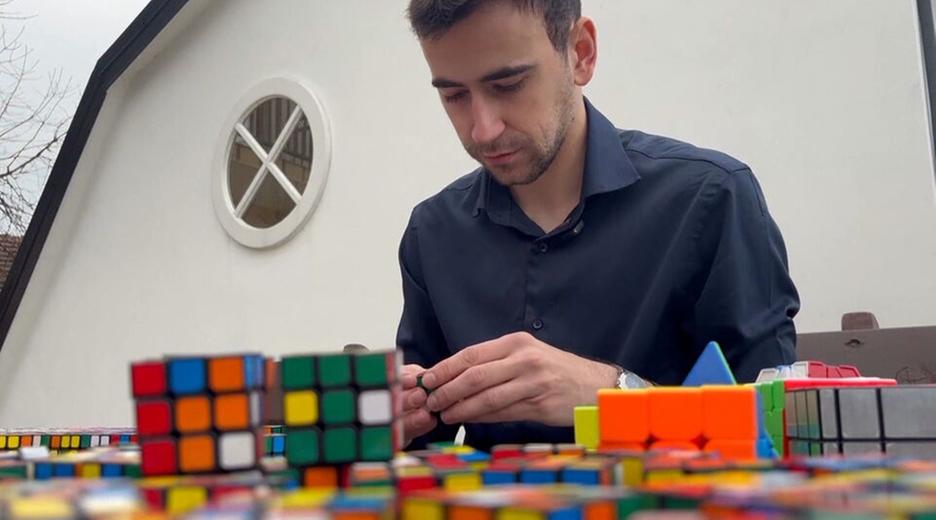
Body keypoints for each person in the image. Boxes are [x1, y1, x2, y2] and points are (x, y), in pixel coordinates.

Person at [396, 0, 799, 451]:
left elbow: (774, 435)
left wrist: (612, 392)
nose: (483, 129)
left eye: (508, 85)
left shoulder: (711, 199)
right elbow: (420, 450)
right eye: (454, 96)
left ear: (581, 53)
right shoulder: (431, 234)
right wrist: (385, 422)